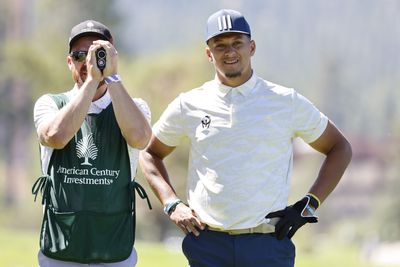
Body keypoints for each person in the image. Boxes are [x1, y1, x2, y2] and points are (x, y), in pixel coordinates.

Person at [139, 9, 352, 267]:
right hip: (208, 245)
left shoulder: (285, 101)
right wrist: (172, 204)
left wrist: (309, 205)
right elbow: (149, 153)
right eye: (220, 45)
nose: (229, 52)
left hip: (267, 244)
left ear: (251, 47)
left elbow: (339, 148)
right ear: (209, 53)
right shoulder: (189, 104)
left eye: (237, 43)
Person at [32, 20, 152, 266]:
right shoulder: (50, 104)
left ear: (112, 57)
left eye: (97, 54)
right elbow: (56, 136)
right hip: (61, 248)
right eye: (79, 55)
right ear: (69, 62)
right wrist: (90, 82)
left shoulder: (134, 106)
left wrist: (111, 78)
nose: (87, 62)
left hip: (114, 250)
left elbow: (140, 138)